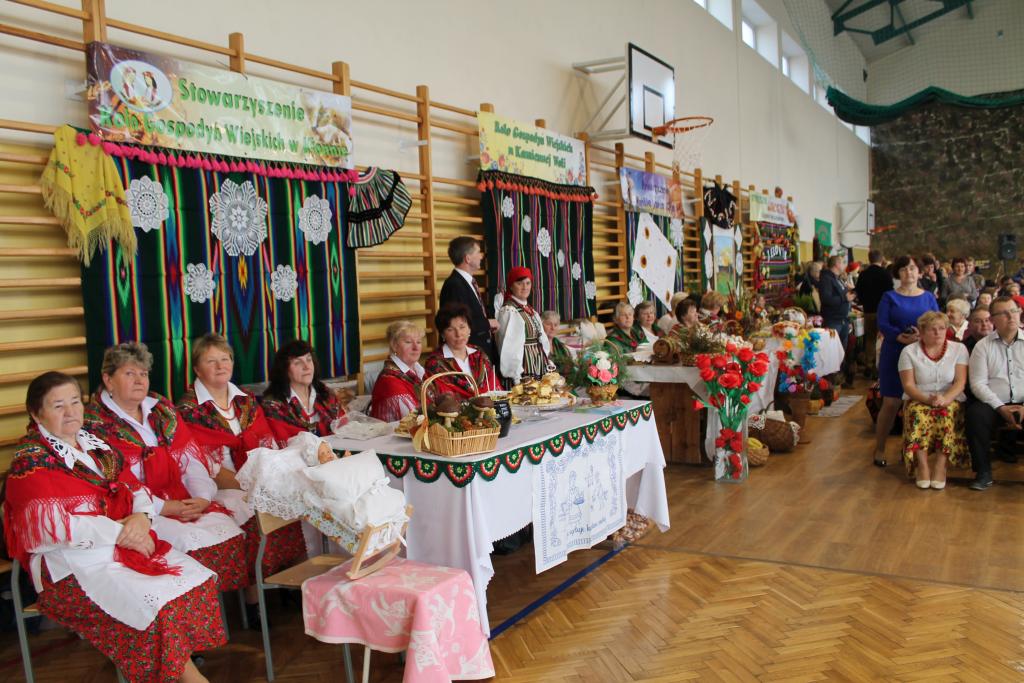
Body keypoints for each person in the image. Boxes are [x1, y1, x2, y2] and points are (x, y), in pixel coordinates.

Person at [3, 372, 222, 683]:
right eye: (58, 406)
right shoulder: (31, 463)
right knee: (154, 608)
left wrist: (142, 519)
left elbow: (136, 490)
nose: (71, 412)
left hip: (125, 545)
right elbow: (50, 531)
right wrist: (123, 533)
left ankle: (181, 669)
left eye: (75, 402)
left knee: (194, 581)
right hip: (69, 567)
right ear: (37, 414)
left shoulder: (97, 447)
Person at [84, 343, 247, 593]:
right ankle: (198, 601)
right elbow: (118, 484)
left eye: (143, 373)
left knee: (227, 527)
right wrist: (164, 507)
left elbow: (190, 460)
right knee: (184, 539)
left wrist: (201, 497)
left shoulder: (161, 409)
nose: (139, 380)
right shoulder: (94, 425)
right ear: (108, 379)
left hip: (181, 500)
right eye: (129, 373)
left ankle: (221, 603)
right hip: (141, 513)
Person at [176, 333, 305, 619]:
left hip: (254, 476)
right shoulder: (189, 409)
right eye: (211, 361)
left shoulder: (245, 399)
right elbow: (202, 465)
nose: (221, 366)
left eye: (225, 359)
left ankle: (292, 582)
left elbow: (266, 442)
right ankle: (254, 596)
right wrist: (250, 486)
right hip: (218, 486)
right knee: (250, 508)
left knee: (289, 497)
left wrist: (267, 479)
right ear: (197, 369)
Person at [871, 256, 940, 467]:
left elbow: (937, 322)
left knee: (916, 402)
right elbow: (882, 322)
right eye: (903, 269)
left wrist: (922, 336)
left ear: (919, 272)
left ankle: (910, 449)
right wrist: (899, 336)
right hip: (894, 351)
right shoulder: (889, 296)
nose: (908, 272)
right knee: (891, 403)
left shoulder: (928, 297)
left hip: (921, 352)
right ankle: (880, 448)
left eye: (912, 268)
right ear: (897, 273)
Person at [897, 312, 969, 489]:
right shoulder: (908, 351)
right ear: (922, 332)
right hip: (919, 396)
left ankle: (940, 466)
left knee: (946, 413)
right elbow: (908, 385)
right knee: (917, 413)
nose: (938, 333)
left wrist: (945, 398)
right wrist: (928, 400)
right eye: (932, 329)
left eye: (942, 328)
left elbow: (960, 382)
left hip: (949, 396)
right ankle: (922, 466)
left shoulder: (959, 349)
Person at [966, 296, 1024, 491]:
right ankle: (983, 472)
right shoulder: (983, 346)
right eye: (1004, 313)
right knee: (975, 415)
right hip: (994, 403)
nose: (1011, 316)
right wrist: (1000, 407)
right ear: (993, 320)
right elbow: (978, 384)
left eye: (1014, 311)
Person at [261, 340, 346, 443]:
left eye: (309, 360)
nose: (306, 367)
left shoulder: (326, 394)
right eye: (297, 362)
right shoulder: (273, 405)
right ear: (284, 369)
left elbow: (345, 430)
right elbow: (284, 444)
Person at [438, 236, 497, 363]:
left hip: (477, 353)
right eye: (478, 252)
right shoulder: (454, 285)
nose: (481, 256)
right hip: (466, 356)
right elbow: (455, 323)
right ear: (468, 258)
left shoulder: (466, 282)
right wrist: (487, 323)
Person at [424, 303, 501, 398]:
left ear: (469, 329)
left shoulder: (479, 354)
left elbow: (495, 387)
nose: (458, 334)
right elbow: (440, 400)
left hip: (490, 406)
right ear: (443, 334)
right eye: (450, 329)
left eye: (462, 327)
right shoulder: (435, 364)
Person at [496, 266, 551, 385]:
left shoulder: (531, 311)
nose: (525, 287)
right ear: (511, 286)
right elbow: (508, 348)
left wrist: (546, 361)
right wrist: (516, 376)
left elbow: (542, 340)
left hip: (538, 367)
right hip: (522, 372)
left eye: (528, 283)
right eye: (519, 283)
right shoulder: (509, 311)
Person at [369, 320, 428, 421]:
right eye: (408, 342)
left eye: (418, 342)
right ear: (394, 346)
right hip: (395, 431)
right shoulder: (389, 381)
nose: (416, 347)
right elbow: (414, 419)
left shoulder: (419, 371)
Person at [855, 249, 894, 378]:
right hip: (883, 311)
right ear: (881, 259)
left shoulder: (863, 274)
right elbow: (890, 293)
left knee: (870, 339)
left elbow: (859, 292)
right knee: (882, 339)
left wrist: (864, 302)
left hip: (868, 311)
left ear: (869, 258)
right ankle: (879, 366)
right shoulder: (886, 274)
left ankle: (869, 364)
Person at [541, 309, 575, 376]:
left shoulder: (563, 347)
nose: (553, 328)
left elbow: (571, 367)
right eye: (548, 324)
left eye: (556, 325)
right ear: (541, 325)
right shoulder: (537, 347)